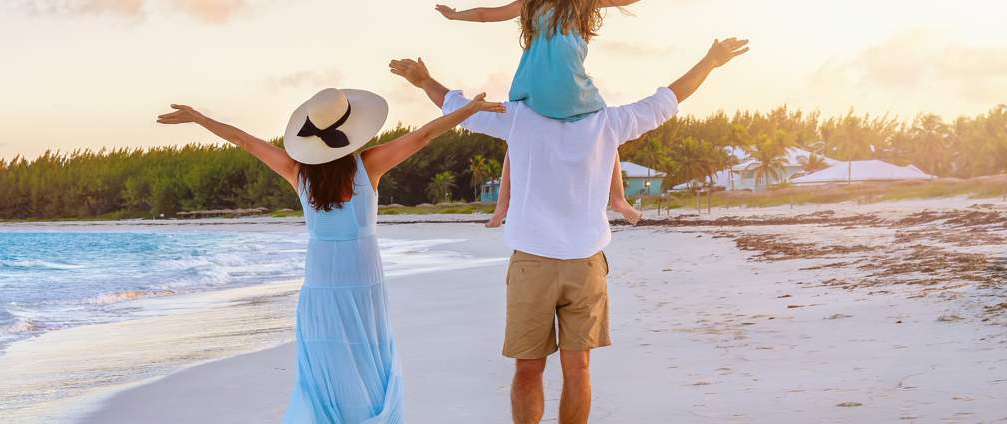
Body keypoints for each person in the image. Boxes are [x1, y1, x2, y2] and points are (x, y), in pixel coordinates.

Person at [389, 36, 748, 424]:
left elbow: (460, 109)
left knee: (530, 369)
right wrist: (709, 62)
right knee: (577, 368)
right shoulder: (607, 122)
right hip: (585, 264)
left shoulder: (519, 117)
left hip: (533, 264)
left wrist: (424, 81)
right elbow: (667, 100)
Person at [157, 84, 504, 423]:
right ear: (352, 130)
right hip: (362, 281)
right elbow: (423, 136)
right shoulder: (369, 165)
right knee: (366, 359)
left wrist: (201, 119)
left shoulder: (298, 172)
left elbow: (245, 141)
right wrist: (467, 110)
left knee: (328, 367)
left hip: (321, 285)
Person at [435, 0, 645, 226]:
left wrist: (455, 17)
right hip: (567, 92)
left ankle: (617, 199)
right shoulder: (534, 3)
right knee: (605, 133)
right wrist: (455, 16)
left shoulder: (577, 3)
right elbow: (485, 14)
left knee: (601, 132)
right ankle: (617, 199)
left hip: (555, 91)